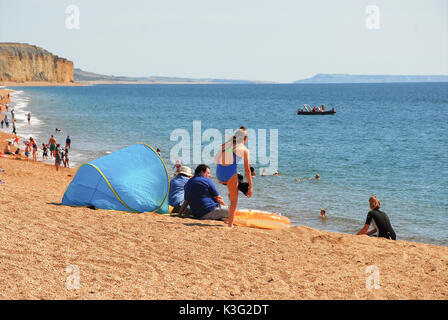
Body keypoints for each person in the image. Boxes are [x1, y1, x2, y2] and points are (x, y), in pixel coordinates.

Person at [214, 127, 253, 227]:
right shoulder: (244, 150)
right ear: (245, 139)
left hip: (219, 174)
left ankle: (235, 186)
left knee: (236, 179)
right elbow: (247, 170)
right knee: (234, 201)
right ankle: (230, 225)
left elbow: (216, 159)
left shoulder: (226, 145)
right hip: (230, 174)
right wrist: (251, 187)